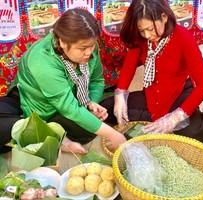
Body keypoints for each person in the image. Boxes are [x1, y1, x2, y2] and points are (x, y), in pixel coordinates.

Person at [0, 8, 126, 154]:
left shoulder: (90, 47)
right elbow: (69, 107)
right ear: (63, 42)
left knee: (90, 126)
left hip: (68, 103)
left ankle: (52, 137)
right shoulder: (42, 61)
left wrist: (92, 102)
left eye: (92, 45)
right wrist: (112, 134)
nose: (89, 52)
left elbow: (97, 80)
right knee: (11, 126)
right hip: (33, 105)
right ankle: (54, 138)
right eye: (83, 48)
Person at [100, 0, 203, 144]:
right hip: (151, 96)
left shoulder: (183, 37)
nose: (147, 35)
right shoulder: (142, 39)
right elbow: (129, 65)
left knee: (193, 134)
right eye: (141, 30)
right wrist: (120, 94)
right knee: (108, 108)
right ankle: (154, 120)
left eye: (150, 29)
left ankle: (158, 120)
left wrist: (176, 117)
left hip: (178, 94)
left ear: (164, 17)